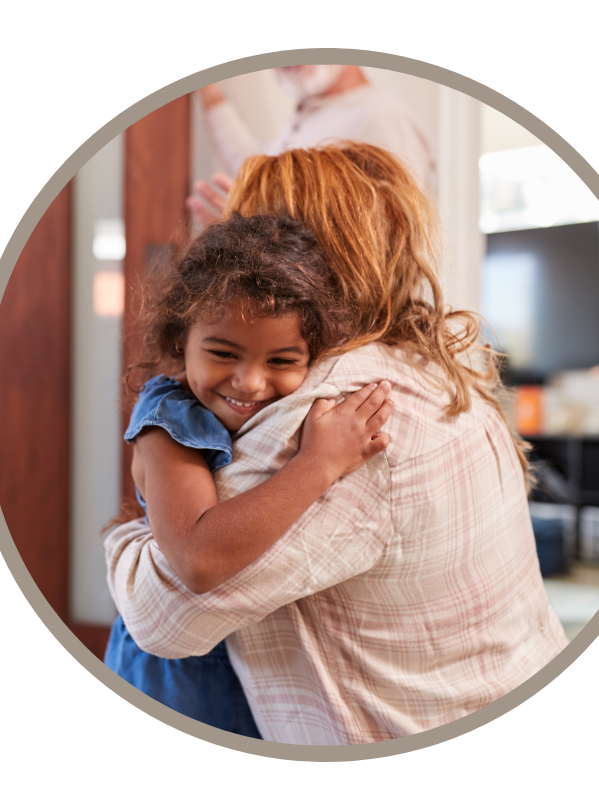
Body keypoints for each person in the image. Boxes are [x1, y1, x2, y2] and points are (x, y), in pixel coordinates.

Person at [105, 142, 568, 745]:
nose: (250, 380)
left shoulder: (329, 410)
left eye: (257, 229)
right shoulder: (431, 365)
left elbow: (159, 615)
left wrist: (124, 531)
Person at [104, 213, 394, 737]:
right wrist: (319, 463)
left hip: (248, 671)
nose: (251, 382)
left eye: (282, 360)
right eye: (222, 353)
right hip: (175, 681)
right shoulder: (169, 422)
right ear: (178, 343)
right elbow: (198, 556)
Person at [188, 64, 434, 228]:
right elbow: (254, 174)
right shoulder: (313, 116)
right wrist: (209, 90)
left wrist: (254, 233)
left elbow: (385, 252)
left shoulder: (383, 121)